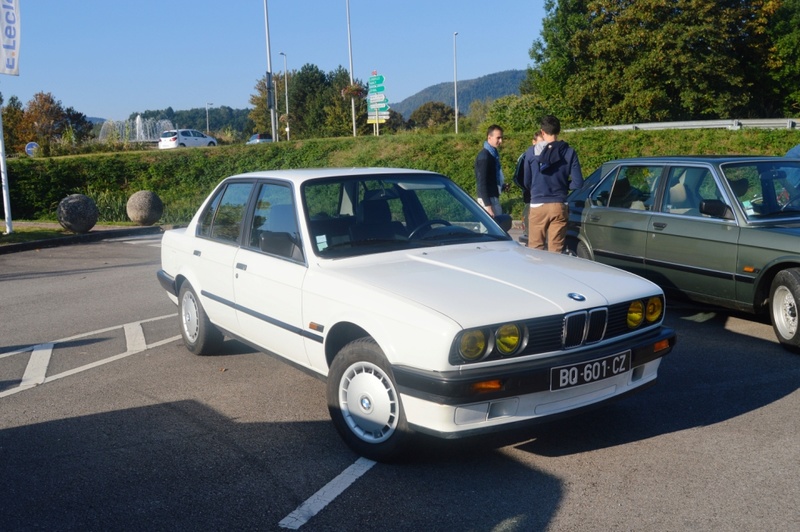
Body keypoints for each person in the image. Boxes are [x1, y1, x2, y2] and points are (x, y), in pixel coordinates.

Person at [523, 115, 583, 253]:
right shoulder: (569, 152)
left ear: (542, 132)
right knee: (556, 252)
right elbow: (578, 183)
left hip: (538, 204)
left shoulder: (531, 152)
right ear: (558, 131)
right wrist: (563, 186)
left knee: (535, 250)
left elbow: (526, 181)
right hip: (559, 205)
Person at [513, 131, 548, 238]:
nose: (543, 145)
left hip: (546, 198)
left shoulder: (548, 156)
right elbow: (518, 178)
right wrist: (530, 189)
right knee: (532, 232)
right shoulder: (525, 157)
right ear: (534, 142)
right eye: (540, 142)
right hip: (531, 198)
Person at [474, 124, 505, 217]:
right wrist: (488, 206)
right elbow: (481, 183)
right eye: (498, 138)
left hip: (492, 198)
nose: (501, 141)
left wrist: (501, 187)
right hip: (487, 200)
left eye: (501, 138)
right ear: (489, 137)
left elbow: (491, 179)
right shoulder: (485, 157)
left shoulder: (492, 155)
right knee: (491, 231)